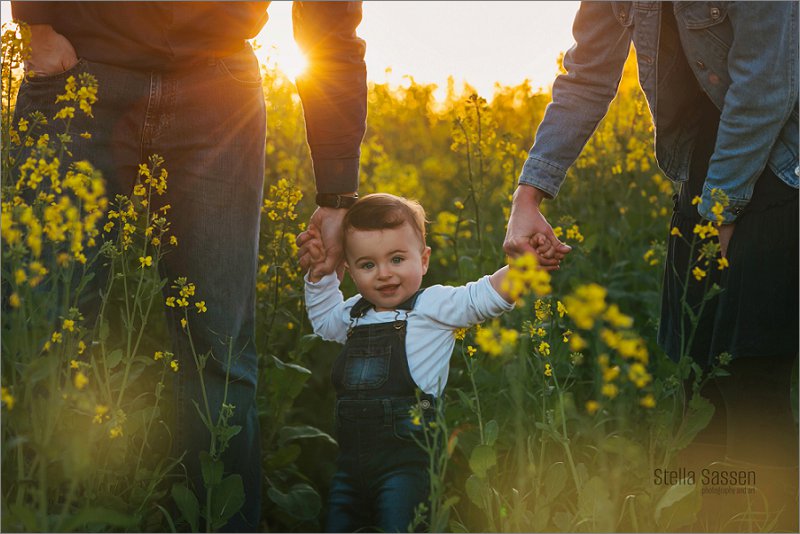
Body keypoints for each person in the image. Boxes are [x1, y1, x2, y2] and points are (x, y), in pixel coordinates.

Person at [11, 2, 367, 530]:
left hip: (219, 86)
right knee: (40, 338)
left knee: (220, 357)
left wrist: (338, 190)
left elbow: (330, 14)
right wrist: (35, 22)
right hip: (77, 63)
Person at [502, 1, 798, 529]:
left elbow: (767, 84)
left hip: (780, 170)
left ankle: (767, 518)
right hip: (703, 174)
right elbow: (587, 74)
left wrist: (719, 215)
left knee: (753, 384)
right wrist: (529, 196)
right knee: (695, 380)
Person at [301, 193, 521, 532]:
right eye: (368, 265)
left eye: (397, 259)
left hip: (407, 465)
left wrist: (524, 267)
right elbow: (324, 320)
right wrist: (321, 275)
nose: (384, 274)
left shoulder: (432, 305)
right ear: (349, 268)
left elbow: (481, 298)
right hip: (349, 468)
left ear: (424, 260)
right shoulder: (356, 312)